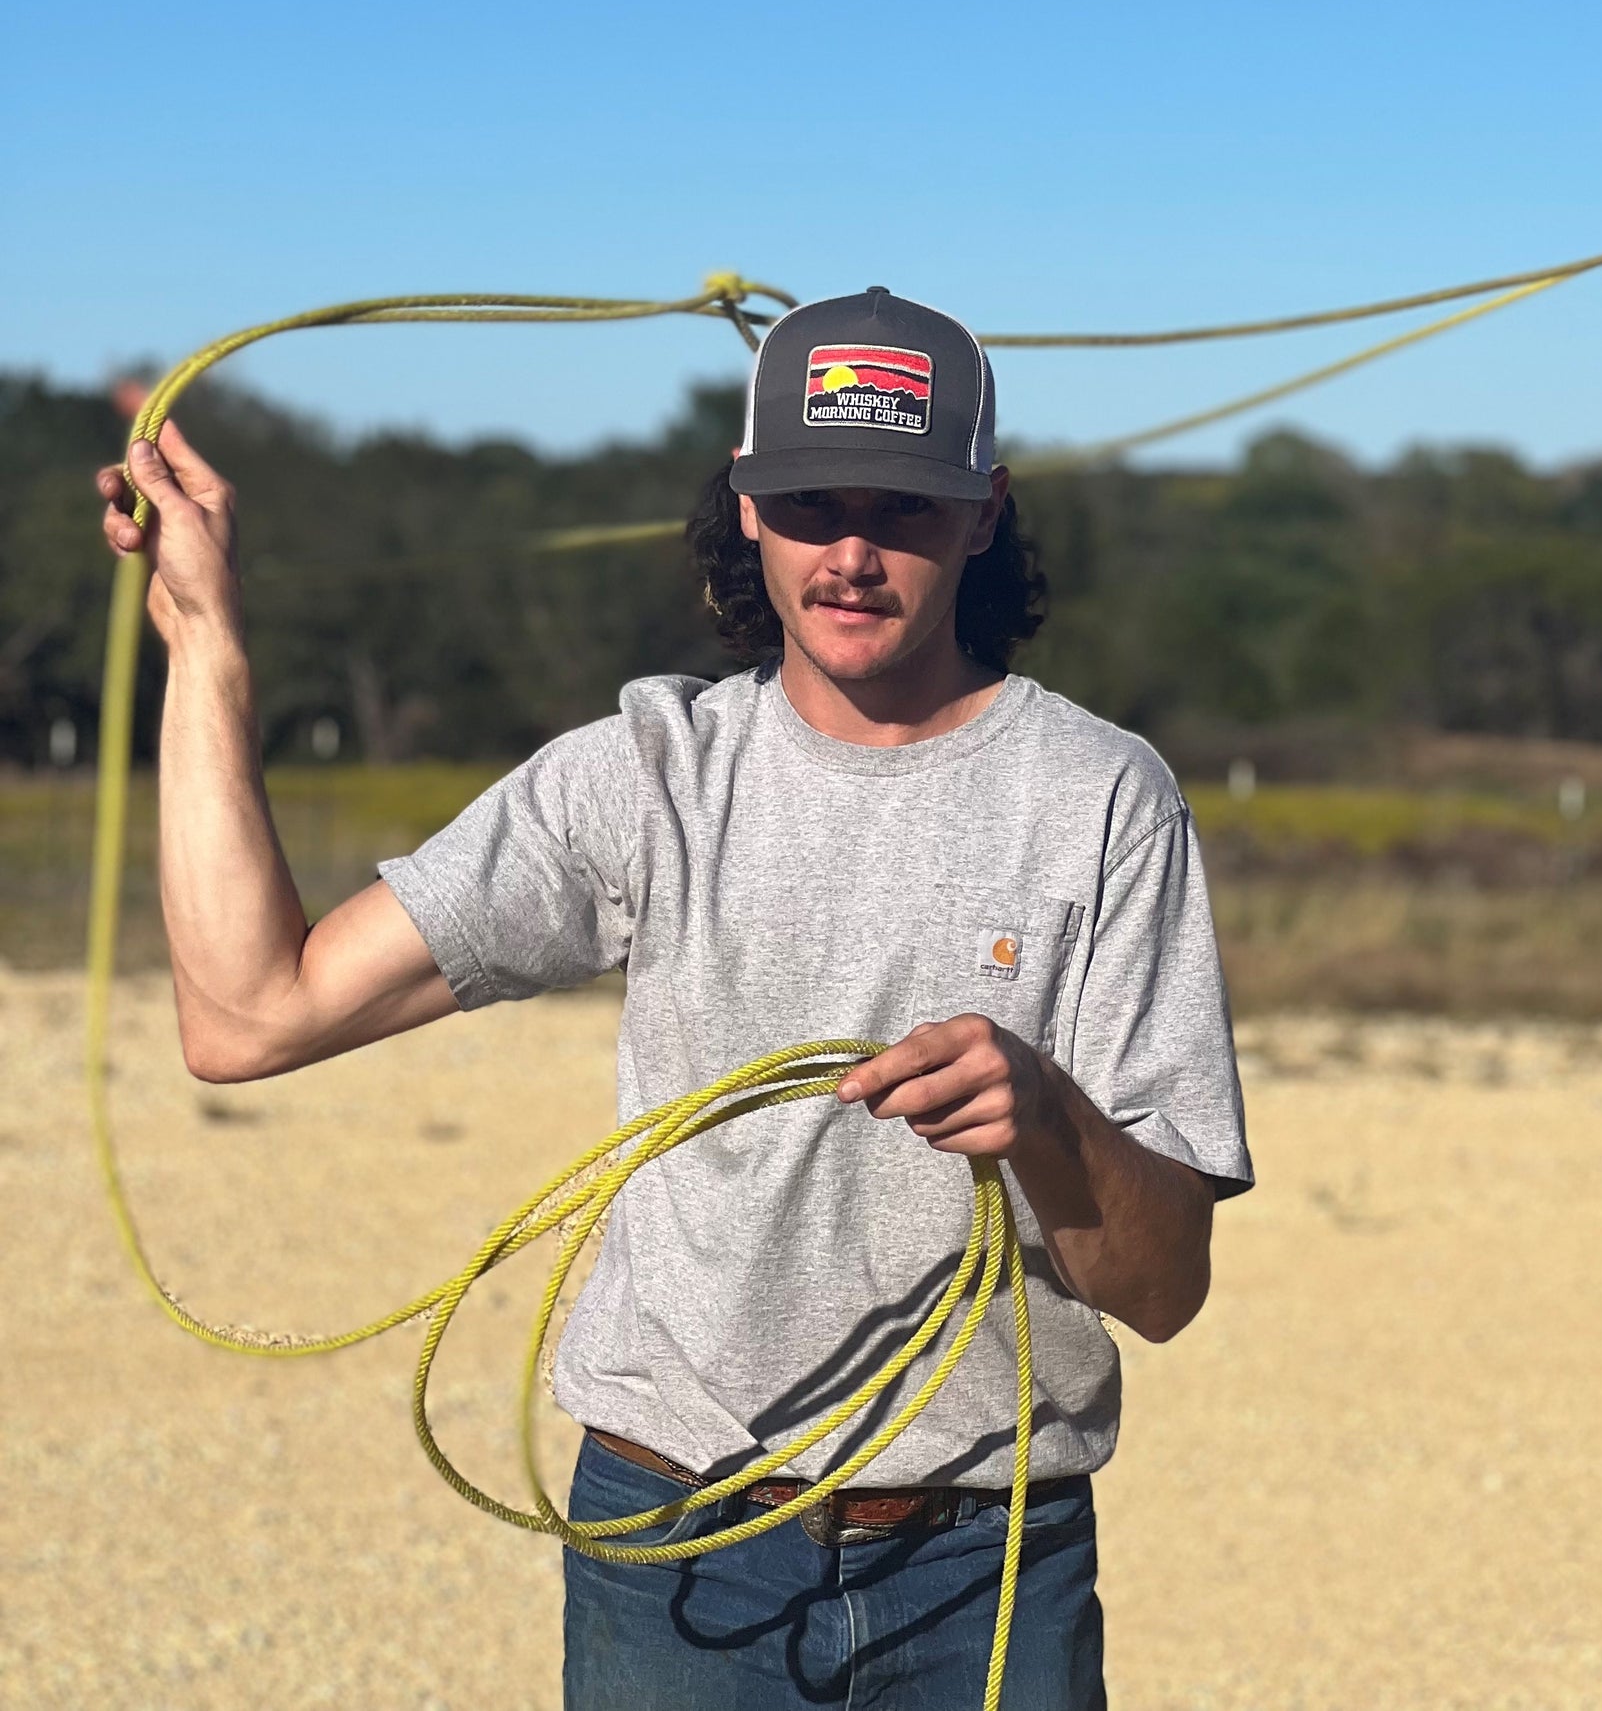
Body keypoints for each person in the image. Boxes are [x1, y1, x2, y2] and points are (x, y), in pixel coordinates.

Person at [97, 285, 1253, 1709]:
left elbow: (1164, 1291)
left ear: (981, 514)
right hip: (669, 1545)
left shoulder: (1099, 799)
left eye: (897, 509)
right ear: (745, 509)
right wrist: (207, 644)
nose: (848, 554)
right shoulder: (647, 774)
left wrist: (1048, 1122)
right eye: (807, 502)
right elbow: (247, 1015)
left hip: (985, 1559)